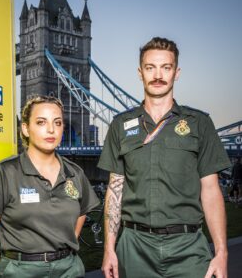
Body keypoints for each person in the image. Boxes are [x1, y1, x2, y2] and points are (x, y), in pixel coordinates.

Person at [98, 37, 231, 278]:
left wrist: (222, 252)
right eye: (150, 67)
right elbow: (114, 189)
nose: (158, 75)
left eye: (165, 67)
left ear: (176, 72)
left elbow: (211, 190)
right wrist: (109, 248)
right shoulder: (120, 125)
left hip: (188, 247)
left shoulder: (199, 123)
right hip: (134, 247)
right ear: (140, 73)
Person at [0, 96, 99, 277]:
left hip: (68, 269)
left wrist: (64, 250)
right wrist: (4, 273)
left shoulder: (75, 173)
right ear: (25, 128)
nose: (51, 129)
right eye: (41, 122)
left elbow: (81, 213)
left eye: (57, 123)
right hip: (21, 270)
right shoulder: (5, 172)